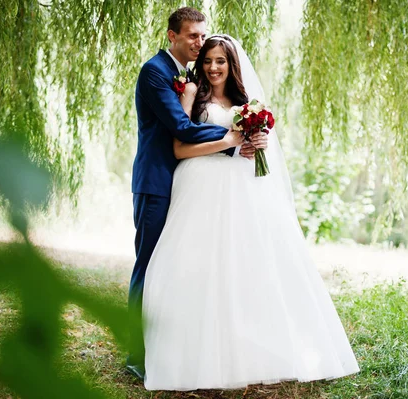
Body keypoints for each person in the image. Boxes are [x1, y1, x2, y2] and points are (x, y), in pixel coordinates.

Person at [142, 35, 360, 391]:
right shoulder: (192, 94)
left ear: (232, 66)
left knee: (247, 263)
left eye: (220, 62)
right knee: (195, 265)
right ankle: (191, 354)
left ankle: (248, 349)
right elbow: (180, 147)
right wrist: (228, 143)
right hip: (199, 184)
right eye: (208, 60)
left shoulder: (246, 103)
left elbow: (259, 143)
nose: (213, 67)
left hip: (243, 185)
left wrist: (258, 141)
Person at [128, 8, 265, 379]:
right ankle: (135, 354)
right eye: (191, 36)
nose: (199, 42)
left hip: (187, 185)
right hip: (156, 182)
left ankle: (177, 346)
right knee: (150, 265)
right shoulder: (155, 72)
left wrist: (247, 133)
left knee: (180, 268)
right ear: (171, 36)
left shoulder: (186, 75)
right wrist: (233, 139)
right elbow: (181, 127)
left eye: (202, 36)